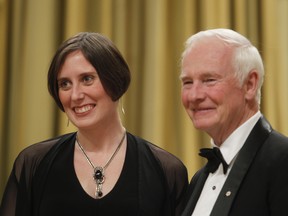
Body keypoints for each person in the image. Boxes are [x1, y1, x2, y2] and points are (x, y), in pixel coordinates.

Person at [0, 32, 188, 216]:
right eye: (65, 84)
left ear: (115, 80)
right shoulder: (33, 163)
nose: (75, 95)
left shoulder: (166, 170)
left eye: (87, 79)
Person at [179, 28, 288, 216]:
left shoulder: (282, 162)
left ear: (250, 85)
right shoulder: (199, 179)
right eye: (187, 82)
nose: (194, 95)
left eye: (209, 80)